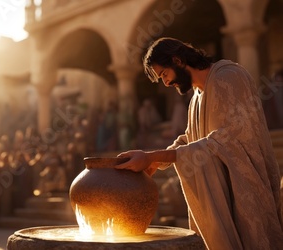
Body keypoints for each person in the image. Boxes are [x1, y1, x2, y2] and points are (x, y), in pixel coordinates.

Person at [112, 37, 283, 249]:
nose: (165, 83)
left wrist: (153, 156)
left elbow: (226, 139)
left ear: (178, 60)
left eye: (164, 74)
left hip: (247, 190)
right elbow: (190, 139)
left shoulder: (229, 77)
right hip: (224, 195)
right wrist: (155, 160)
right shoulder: (196, 98)